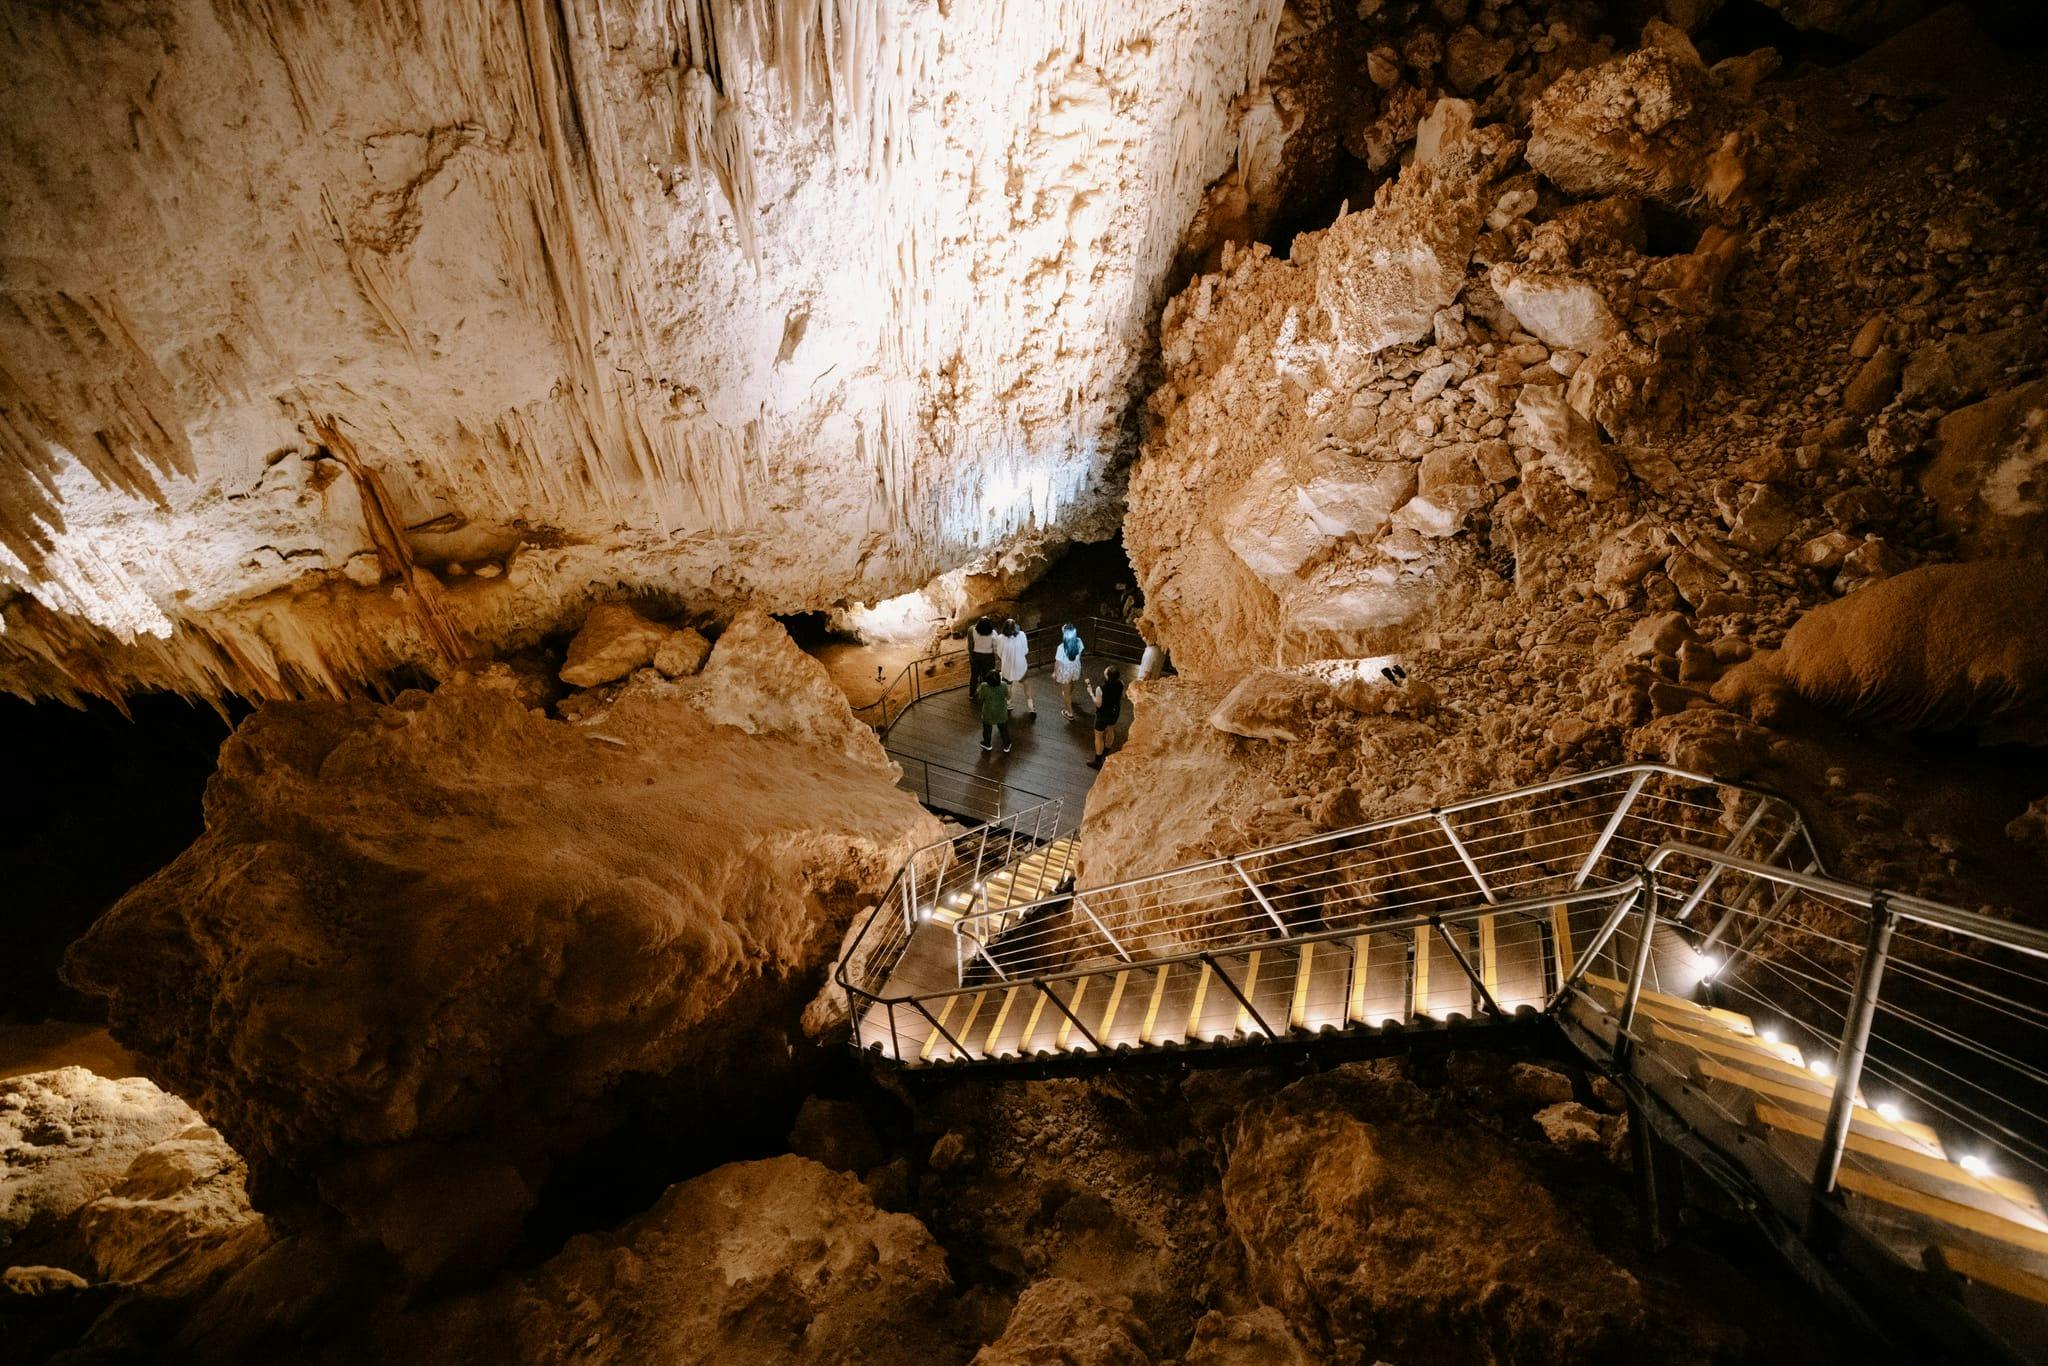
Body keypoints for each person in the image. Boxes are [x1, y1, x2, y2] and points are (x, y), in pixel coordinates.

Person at [1088, 664, 1124, 769]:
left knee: (1099, 736)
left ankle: (1098, 761)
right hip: (1114, 712)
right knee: (1111, 730)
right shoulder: (1121, 683)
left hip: (1103, 714)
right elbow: (1122, 696)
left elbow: (1098, 704)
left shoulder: (1101, 688)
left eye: (1106, 670)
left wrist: (1091, 693)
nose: (1104, 670)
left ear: (1107, 676)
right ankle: (1106, 752)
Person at [997, 617, 1033, 715]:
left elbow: (999, 653)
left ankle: (1009, 704)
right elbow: (1026, 650)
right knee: (1026, 684)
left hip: (1007, 667)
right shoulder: (1022, 635)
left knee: (1008, 685)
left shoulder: (1000, 638)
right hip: (1021, 666)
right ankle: (1030, 706)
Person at [976, 670, 1013, 754]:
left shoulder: (984, 686)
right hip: (1001, 711)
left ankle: (987, 744)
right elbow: (1008, 696)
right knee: (1003, 729)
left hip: (988, 711)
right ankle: (1007, 745)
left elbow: (981, 698)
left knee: (987, 729)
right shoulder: (1003, 685)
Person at [1052, 623, 1084, 718]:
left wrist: (1055, 672)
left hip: (1065, 670)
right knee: (1072, 682)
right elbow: (1080, 653)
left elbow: (1057, 662)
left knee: (1065, 693)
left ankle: (1069, 713)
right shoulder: (1079, 641)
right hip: (1075, 666)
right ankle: (1069, 695)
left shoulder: (1061, 648)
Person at [967, 616, 998, 703]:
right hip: (988, 657)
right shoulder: (993, 633)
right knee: (987, 676)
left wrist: (971, 656)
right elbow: (996, 647)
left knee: (974, 675)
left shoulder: (971, 630)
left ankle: (972, 694)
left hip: (976, 656)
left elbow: (970, 645)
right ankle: (986, 695)